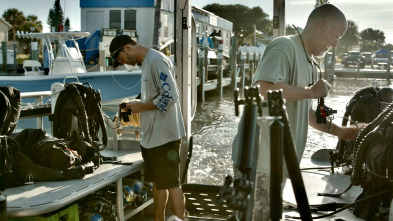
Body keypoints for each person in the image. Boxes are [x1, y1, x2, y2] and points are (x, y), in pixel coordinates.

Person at [232, 4, 365, 220]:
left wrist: (342, 132)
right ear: (322, 26)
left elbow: (306, 112)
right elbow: (263, 90)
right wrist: (311, 91)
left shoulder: (311, 64)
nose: (336, 43)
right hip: (258, 162)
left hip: (278, 163)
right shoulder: (284, 46)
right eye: (336, 35)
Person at [109, 35, 186, 221]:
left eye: (122, 59)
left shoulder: (156, 60)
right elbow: (156, 94)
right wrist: (138, 103)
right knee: (158, 184)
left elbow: (171, 96)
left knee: (173, 184)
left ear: (127, 48)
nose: (124, 63)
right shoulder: (146, 63)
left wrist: (142, 107)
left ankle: (181, 219)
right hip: (152, 138)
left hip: (165, 136)